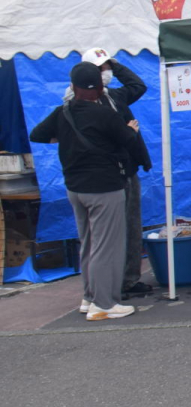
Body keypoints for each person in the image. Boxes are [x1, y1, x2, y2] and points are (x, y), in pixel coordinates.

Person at [29, 62, 140, 320]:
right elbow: (127, 140)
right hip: (104, 188)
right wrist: (131, 130)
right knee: (107, 247)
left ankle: (89, 298)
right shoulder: (106, 114)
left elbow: (36, 134)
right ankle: (104, 304)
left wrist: (59, 138)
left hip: (75, 188)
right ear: (101, 88)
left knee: (89, 244)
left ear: (72, 87)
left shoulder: (63, 112)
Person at [78, 48, 154, 300]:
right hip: (105, 177)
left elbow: (138, 85)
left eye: (106, 68)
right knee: (106, 237)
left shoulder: (115, 96)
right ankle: (104, 290)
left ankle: (128, 279)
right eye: (101, 69)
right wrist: (126, 132)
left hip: (127, 170)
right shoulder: (78, 105)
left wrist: (115, 64)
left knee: (132, 226)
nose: (106, 73)